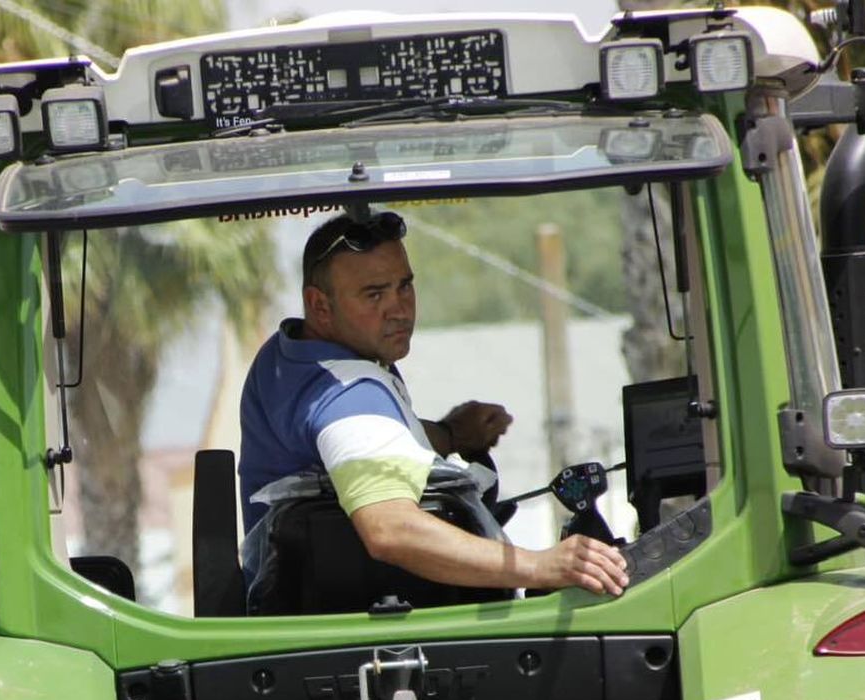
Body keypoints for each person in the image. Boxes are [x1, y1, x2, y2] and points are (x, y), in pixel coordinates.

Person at [238, 210, 629, 605]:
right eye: (374, 294)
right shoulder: (350, 394)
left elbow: (357, 439)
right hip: (369, 621)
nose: (399, 309)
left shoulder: (286, 357)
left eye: (404, 286)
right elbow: (389, 529)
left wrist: (451, 435)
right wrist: (541, 565)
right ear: (320, 305)